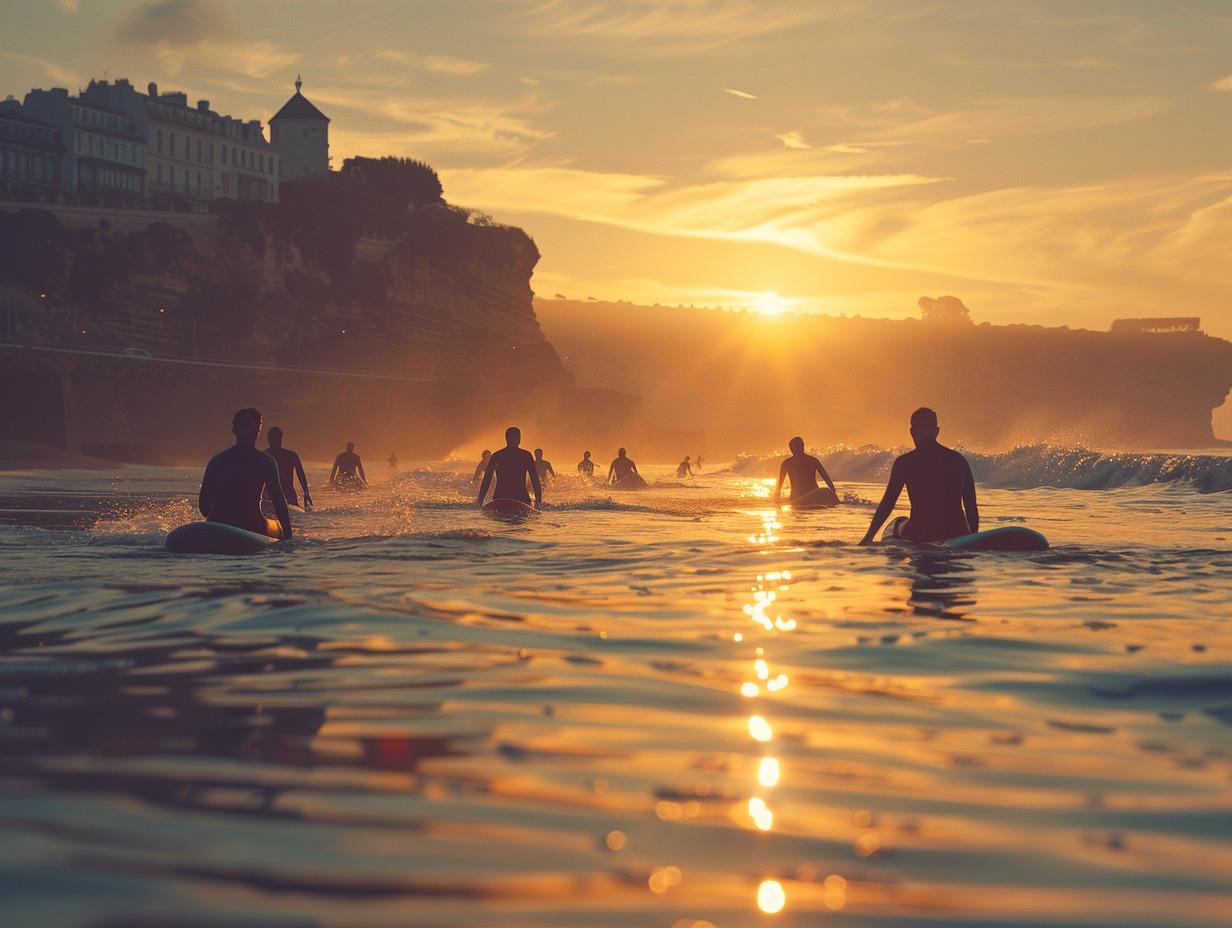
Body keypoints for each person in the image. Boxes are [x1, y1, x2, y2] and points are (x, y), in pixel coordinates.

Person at [859, 407, 979, 545]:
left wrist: (868, 537)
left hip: (920, 533)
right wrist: (973, 539)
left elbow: (888, 502)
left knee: (898, 522)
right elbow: (971, 506)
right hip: (956, 531)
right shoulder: (959, 460)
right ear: (936, 431)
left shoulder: (905, 462)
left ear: (912, 432)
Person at [199, 407, 292, 539]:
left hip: (250, 527)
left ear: (258, 431)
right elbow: (204, 507)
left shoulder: (218, 460)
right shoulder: (218, 462)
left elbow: (279, 501)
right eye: (244, 425)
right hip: (226, 526)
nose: (248, 430)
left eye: (251, 426)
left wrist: (288, 537)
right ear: (234, 430)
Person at [477, 427, 542, 508]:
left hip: (503, 498)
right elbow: (487, 479)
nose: (515, 439)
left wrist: (480, 501)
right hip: (517, 498)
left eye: (516, 437)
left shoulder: (497, 456)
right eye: (514, 437)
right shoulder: (525, 455)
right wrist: (538, 503)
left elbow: (535, 479)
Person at [774, 437, 837, 507]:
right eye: (797, 446)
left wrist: (833, 493)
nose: (800, 447)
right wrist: (777, 501)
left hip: (813, 496)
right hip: (797, 499)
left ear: (803, 446)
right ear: (791, 449)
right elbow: (780, 483)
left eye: (801, 445)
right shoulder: (786, 463)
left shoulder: (813, 461)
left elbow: (826, 477)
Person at [263, 426, 312, 511]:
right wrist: (306, 492)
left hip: (283, 496)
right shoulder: (265, 456)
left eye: (276, 438)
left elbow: (301, 475)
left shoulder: (290, 455)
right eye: (273, 438)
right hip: (272, 496)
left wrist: (306, 493)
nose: (275, 441)